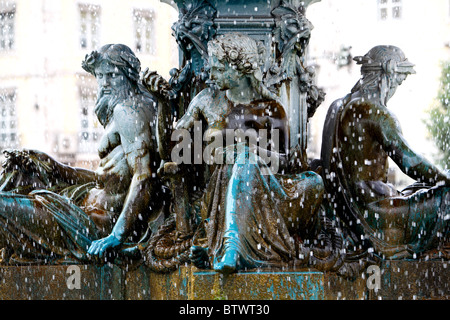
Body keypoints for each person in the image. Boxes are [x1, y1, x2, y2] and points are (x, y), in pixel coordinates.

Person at [0, 44, 164, 264]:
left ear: (129, 75)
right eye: (100, 76)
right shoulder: (127, 108)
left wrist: (115, 236)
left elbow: (145, 176)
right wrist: (58, 169)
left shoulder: (128, 111)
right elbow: (109, 179)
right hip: (82, 207)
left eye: (112, 75)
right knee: (22, 170)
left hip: (90, 227)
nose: (104, 83)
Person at [178, 33, 324, 274]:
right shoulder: (207, 100)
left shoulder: (271, 109)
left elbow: (284, 163)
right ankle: (231, 248)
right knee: (244, 158)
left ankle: (224, 247)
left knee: (309, 180)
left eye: (218, 69)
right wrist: (163, 105)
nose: (210, 75)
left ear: (239, 70)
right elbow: (175, 147)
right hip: (221, 189)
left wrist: (255, 151)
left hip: (265, 188)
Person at [321, 45, 450, 260]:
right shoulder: (377, 112)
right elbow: (411, 163)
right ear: (388, 73)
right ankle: (438, 257)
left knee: (422, 187)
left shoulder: (338, 105)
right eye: (399, 81)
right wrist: (446, 177)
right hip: (373, 216)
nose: (396, 88)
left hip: (347, 212)